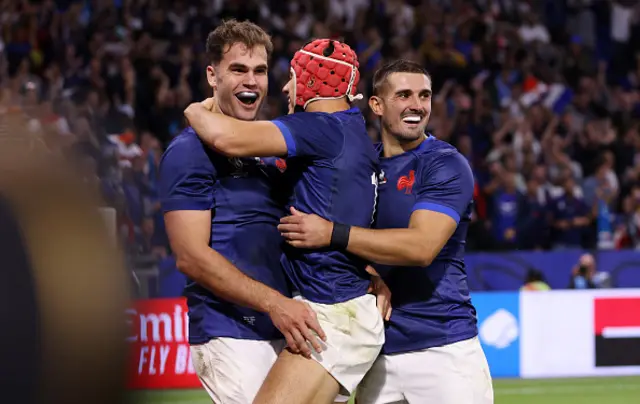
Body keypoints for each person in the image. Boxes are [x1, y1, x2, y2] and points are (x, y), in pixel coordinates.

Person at [277, 59, 494, 404]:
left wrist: (333, 232)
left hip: (443, 350)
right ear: (376, 104)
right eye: (404, 95)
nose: (417, 105)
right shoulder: (362, 165)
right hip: (376, 353)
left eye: (424, 95)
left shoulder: (444, 163)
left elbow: (421, 247)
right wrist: (369, 273)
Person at [184, 38, 384, 404]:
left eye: (291, 77)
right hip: (346, 311)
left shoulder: (320, 127)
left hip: (332, 315)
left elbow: (224, 138)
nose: (285, 87)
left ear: (311, 80)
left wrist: (195, 111)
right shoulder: (354, 133)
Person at [159, 20, 325, 404]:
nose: (251, 81)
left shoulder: (272, 146)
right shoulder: (189, 152)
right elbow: (190, 257)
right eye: (238, 69)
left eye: (260, 71)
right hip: (230, 330)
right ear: (212, 76)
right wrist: (274, 304)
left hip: (287, 326)